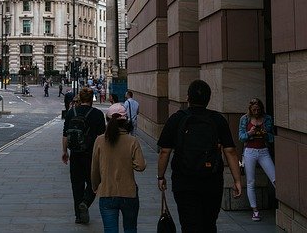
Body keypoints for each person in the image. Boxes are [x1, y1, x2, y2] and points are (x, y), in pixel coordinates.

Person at [157, 79, 242, 232]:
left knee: (189, 224)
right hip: (212, 180)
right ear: (209, 99)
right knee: (209, 224)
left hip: (184, 181)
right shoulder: (217, 120)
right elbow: (230, 151)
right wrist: (237, 180)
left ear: (188, 98)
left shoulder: (177, 119)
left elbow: (165, 151)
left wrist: (160, 177)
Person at [91, 103, 146, 232]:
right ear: (125, 121)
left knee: (110, 230)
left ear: (107, 120)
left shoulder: (99, 140)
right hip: (129, 193)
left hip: (107, 192)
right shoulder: (132, 141)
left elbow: (94, 169)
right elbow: (141, 166)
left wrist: (95, 187)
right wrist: (128, 162)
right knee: (130, 229)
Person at [62, 87, 106, 224]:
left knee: (76, 185)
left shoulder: (71, 113)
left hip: (75, 154)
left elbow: (65, 134)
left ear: (80, 99)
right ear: (92, 99)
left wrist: (65, 152)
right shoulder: (97, 114)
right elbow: (102, 137)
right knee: (94, 183)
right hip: (92, 155)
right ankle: (86, 203)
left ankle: (78, 216)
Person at [238, 98, 275, 222]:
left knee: (275, 178)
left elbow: (271, 138)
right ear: (250, 109)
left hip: (263, 151)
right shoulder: (245, 119)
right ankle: (255, 210)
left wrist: (265, 134)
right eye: (254, 110)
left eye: (258, 109)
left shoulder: (267, 118)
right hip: (249, 152)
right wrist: (249, 133)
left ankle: (281, 204)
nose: (256, 112)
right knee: (250, 182)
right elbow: (241, 137)